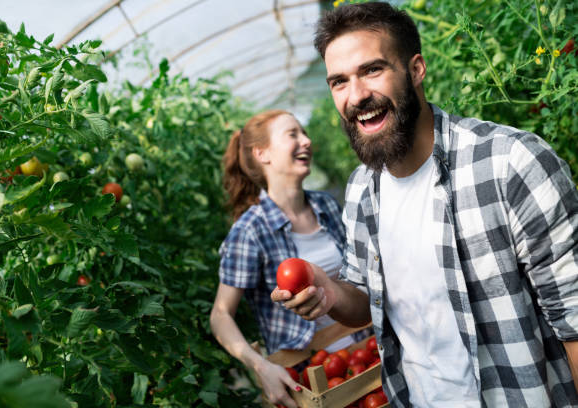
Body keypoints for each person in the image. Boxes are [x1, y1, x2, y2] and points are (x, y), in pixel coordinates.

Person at [271, 2, 578, 407]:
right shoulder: (362, 191)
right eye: (339, 82)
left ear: (416, 69)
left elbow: (574, 321)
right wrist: (329, 291)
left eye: (372, 70)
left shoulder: (510, 165)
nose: (357, 96)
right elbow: (366, 299)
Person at [210, 109, 371, 408]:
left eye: (304, 133)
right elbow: (220, 316)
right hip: (309, 382)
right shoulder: (250, 230)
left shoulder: (326, 205)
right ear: (263, 154)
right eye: (292, 134)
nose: (306, 141)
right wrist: (259, 365)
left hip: (363, 359)